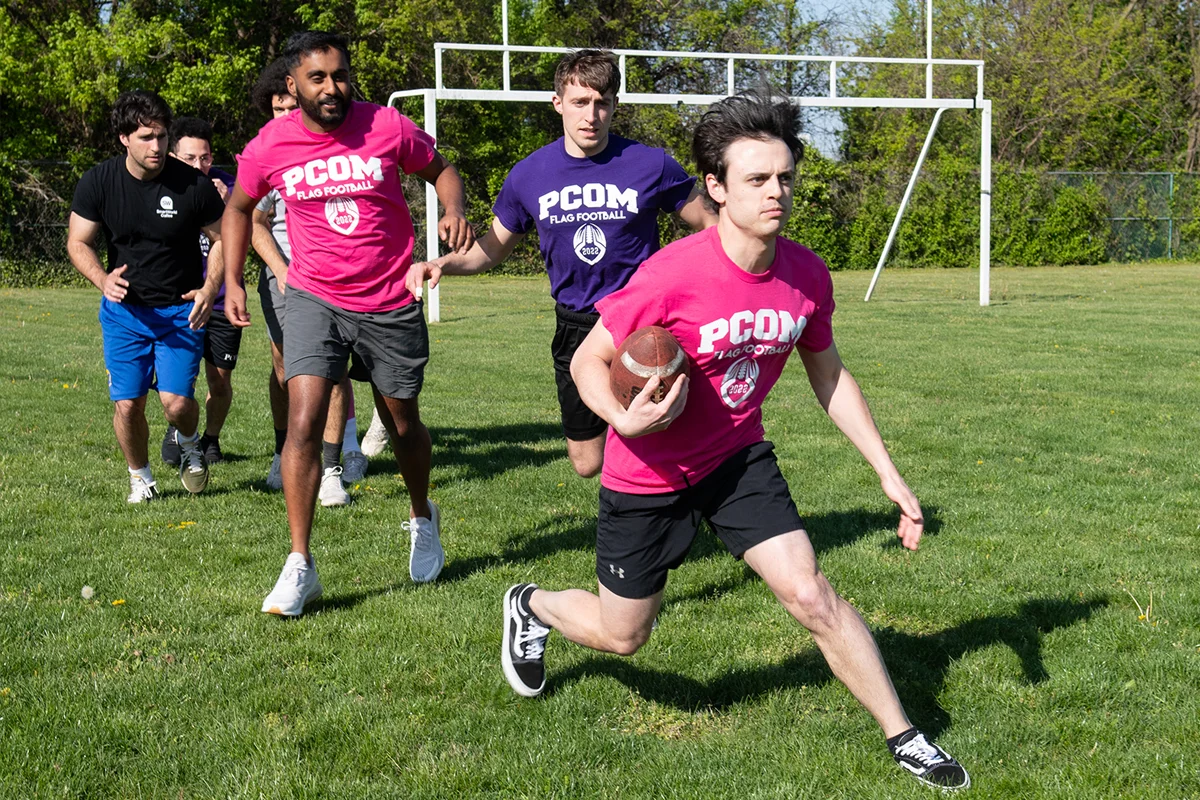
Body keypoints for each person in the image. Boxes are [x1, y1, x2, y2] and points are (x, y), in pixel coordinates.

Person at [499, 91, 970, 791]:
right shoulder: (671, 274)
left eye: (783, 177)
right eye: (756, 179)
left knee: (811, 593)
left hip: (735, 459)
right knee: (624, 636)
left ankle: (906, 736)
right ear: (716, 188)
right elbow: (585, 361)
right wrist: (623, 421)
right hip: (648, 474)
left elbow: (830, 377)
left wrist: (887, 472)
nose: (775, 192)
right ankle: (529, 605)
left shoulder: (806, 275)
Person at [221, 32, 474, 616]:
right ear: (293, 85)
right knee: (304, 420)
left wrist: (455, 209)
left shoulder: (386, 126)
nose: (332, 88)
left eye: (340, 76)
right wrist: (233, 279)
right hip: (315, 298)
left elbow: (442, 172)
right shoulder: (271, 144)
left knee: (402, 423)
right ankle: (300, 563)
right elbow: (238, 208)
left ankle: (421, 515)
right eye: (318, 78)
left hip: (389, 299)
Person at [405, 49, 715, 477]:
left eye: (602, 102)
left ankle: (652, 512)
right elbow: (491, 249)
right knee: (587, 462)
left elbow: (710, 226)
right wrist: (441, 264)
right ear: (558, 104)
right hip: (576, 324)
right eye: (580, 102)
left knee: (657, 433)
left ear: (615, 106)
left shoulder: (650, 164)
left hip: (639, 322)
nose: (592, 114)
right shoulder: (530, 174)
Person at [66, 90, 225, 502]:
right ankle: (141, 478)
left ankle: (190, 441)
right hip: (125, 315)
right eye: (146, 138)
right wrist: (102, 279)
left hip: (179, 312)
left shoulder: (193, 184)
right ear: (124, 138)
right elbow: (78, 242)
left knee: (175, 404)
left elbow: (225, 238)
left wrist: (210, 287)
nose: (157, 147)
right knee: (128, 405)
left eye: (161, 136)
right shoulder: (98, 181)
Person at [248, 59, 367, 505]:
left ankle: (333, 467)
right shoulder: (268, 153)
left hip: (335, 280)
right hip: (285, 277)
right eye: (277, 109)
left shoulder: (333, 148)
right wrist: (281, 272)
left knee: (332, 370)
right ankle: (285, 451)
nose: (285, 116)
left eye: (289, 108)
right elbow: (254, 222)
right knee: (285, 369)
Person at [160, 116, 239, 466]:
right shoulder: (162, 188)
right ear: (174, 155)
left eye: (205, 158)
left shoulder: (228, 187)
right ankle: (177, 428)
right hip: (180, 301)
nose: (199, 166)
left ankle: (211, 439)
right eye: (190, 158)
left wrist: (229, 208)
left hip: (221, 302)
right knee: (178, 381)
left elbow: (245, 243)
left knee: (219, 382)